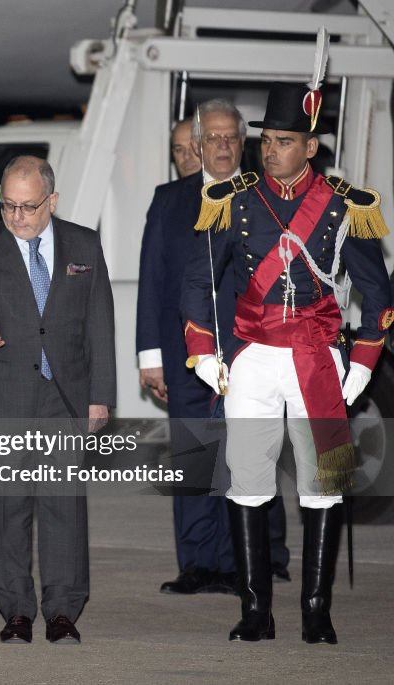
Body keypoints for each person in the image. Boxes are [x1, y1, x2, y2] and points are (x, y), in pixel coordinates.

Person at [182, 82, 392, 644]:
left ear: (311, 146)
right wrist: (202, 350)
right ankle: (255, 611)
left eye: (283, 141)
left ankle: (317, 612)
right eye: (267, 140)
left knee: (325, 481)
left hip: (319, 358)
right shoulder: (236, 198)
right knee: (247, 480)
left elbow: (378, 292)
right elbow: (200, 278)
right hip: (252, 358)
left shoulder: (346, 205)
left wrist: (366, 360)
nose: (269, 150)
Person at [0, 155, 115, 645]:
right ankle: (15, 611)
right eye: (8, 206)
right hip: (7, 394)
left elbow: (100, 326)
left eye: (28, 207)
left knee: (63, 508)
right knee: (7, 510)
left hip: (65, 398)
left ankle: (64, 610)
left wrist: (101, 397)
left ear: (51, 201)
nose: (17, 217)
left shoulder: (84, 245)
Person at [137, 100, 245, 595]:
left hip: (249, 353)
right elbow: (152, 281)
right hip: (185, 357)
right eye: (214, 138)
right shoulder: (169, 199)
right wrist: (150, 356)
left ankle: (238, 562)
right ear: (197, 146)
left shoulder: (266, 198)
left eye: (231, 137)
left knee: (242, 460)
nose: (222, 146)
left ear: (242, 143)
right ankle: (198, 564)